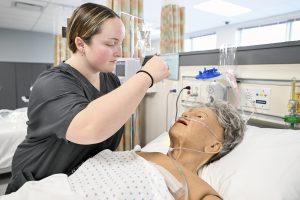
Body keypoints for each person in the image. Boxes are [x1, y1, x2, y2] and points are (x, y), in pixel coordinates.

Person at [5, 3, 169, 194]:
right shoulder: (51, 83)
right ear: (81, 44)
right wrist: (146, 76)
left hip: (81, 182)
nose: (119, 52)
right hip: (39, 182)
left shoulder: (110, 80)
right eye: (110, 43)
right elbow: (90, 128)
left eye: (120, 43)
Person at [2, 100, 245, 200]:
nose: (186, 115)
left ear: (214, 145)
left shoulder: (196, 186)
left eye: (199, 116)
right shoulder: (143, 153)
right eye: (187, 112)